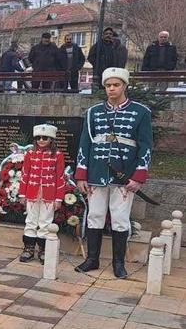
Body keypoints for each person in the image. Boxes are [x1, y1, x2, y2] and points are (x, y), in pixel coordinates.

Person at [73, 67, 152, 279]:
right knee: (95, 215)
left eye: (116, 85)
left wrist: (138, 176)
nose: (111, 89)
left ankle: (118, 263)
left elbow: (145, 146)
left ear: (124, 86)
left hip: (124, 174)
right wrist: (81, 174)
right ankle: (92, 259)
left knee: (120, 218)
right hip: (97, 172)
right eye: (108, 85)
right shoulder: (93, 113)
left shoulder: (141, 112)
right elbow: (85, 144)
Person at [18, 124, 65, 264]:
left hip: (49, 194)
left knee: (45, 222)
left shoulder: (58, 155)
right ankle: (28, 249)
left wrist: (59, 198)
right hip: (31, 193)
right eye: (38, 138)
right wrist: (22, 194)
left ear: (51, 139)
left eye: (45, 137)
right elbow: (24, 174)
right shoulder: (30, 154)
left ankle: (44, 250)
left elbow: (60, 177)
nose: (41, 140)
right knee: (30, 221)